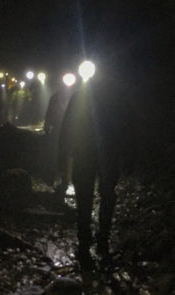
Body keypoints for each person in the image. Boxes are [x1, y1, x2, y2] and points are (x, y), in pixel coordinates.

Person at [58, 78, 135, 271]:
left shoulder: (81, 97)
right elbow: (126, 126)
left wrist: (63, 156)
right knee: (105, 195)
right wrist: (128, 155)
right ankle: (100, 241)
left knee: (87, 198)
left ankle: (87, 244)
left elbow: (67, 127)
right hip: (106, 153)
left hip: (88, 153)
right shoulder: (114, 98)